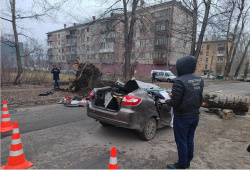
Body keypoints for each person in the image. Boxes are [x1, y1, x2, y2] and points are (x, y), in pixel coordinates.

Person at [165, 56, 204, 169]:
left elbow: (174, 103)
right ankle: (187, 161)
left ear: (181, 67)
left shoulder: (179, 81)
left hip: (182, 118)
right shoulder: (199, 79)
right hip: (195, 116)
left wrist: (166, 100)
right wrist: (176, 96)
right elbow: (196, 96)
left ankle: (181, 165)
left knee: (181, 141)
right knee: (189, 139)